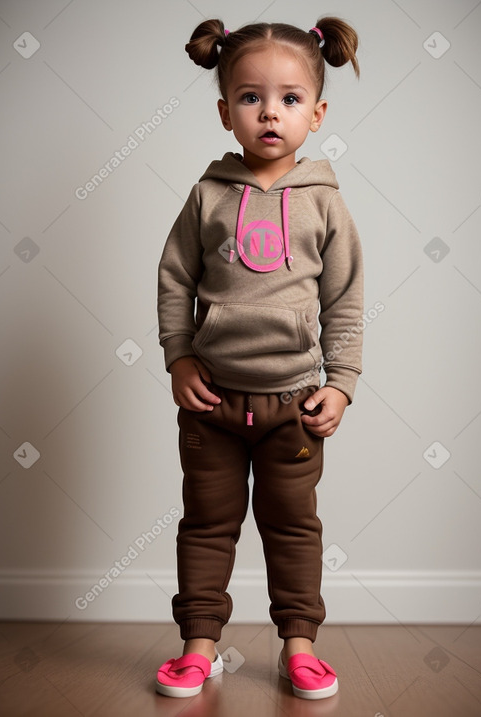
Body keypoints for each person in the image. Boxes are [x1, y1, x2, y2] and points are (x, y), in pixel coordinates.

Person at [155, 15, 363, 700]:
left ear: (317, 112)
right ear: (225, 112)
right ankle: (199, 646)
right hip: (212, 403)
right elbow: (175, 280)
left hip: (293, 407)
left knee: (292, 527)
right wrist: (180, 357)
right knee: (207, 523)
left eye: (289, 98)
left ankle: (298, 645)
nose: (270, 111)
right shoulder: (208, 195)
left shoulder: (325, 204)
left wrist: (342, 383)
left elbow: (346, 301)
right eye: (250, 97)